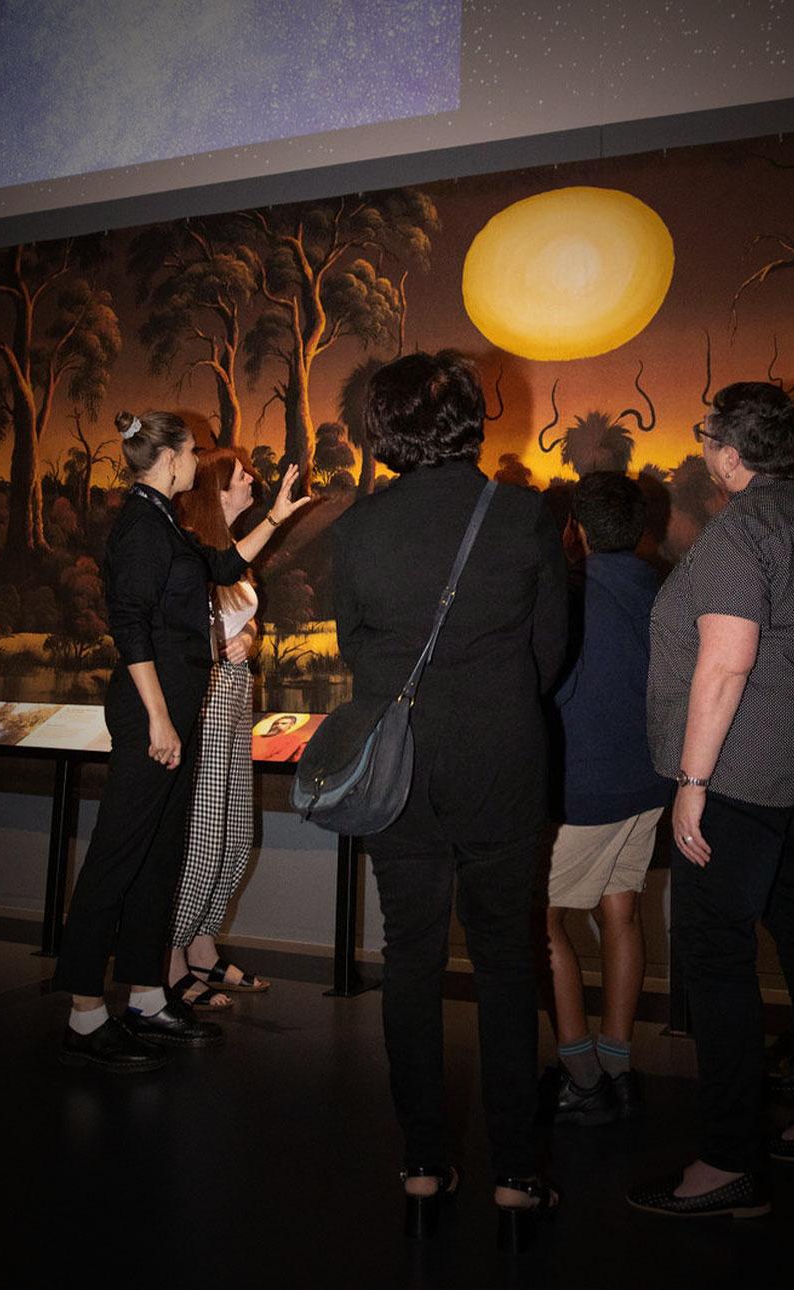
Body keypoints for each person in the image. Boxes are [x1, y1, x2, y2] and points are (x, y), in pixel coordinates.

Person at [330, 350, 567, 1249]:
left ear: (384, 432)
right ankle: (515, 1176)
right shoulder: (521, 514)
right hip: (503, 758)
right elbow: (551, 648)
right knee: (508, 962)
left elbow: (358, 652)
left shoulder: (358, 530)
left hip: (401, 771)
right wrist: (499, 701)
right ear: (472, 419)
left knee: (412, 959)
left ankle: (423, 1163)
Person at [628, 382, 794, 1218]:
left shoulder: (741, 532)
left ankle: (727, 1162)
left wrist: (692, 784)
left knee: (717, 959)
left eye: (706, 438)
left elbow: (725, 662)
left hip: (741, 779)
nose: (704, 451)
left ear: (732, 453)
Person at [54, 410, 308, 1070]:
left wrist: (276, 515)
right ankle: (84, 1012)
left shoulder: (164, 519)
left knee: (160, 859)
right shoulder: (140, 527)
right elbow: (130, 627)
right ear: (168, 459)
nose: (199, 461)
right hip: (152, 713)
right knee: (117, 856)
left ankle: (145, 996)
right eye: (192, 451)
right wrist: (160, 719)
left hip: (176, 707)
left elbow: (223, 562)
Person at [542, 472, 671, 1125]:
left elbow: (553, 690)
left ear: (578, 529)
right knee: (621, 915)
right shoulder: (661, 587)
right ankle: (618, 1065)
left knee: (538, 920)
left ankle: (581, 1071)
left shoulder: (571, 594)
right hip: (650, 783)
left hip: (585, 787)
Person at [166, 447, 268, 1010]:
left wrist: (248, 641)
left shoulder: (230, 554)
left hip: (231, 696)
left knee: (232, 835)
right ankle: (170, 958)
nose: (250, 480)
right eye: (239, 476)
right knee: (201, 838)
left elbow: (244, 624)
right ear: (217, 493)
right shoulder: (192, 553)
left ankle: (202, 950)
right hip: (203, 702)